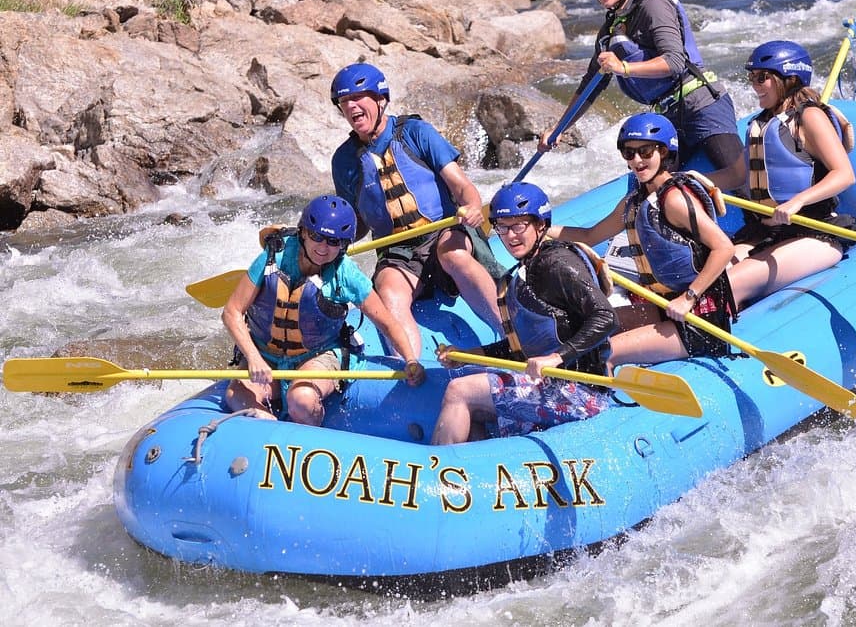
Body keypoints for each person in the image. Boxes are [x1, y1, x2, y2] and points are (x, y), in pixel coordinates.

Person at [329, 62, 503, 358]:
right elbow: (358, 225)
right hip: (397, 252)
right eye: (345, 101)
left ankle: (510, 336)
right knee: (388, 290)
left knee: (454, 254)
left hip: (442, 234)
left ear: (380, 100)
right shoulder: (344, 161)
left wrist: (472, 206)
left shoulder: (415, 133)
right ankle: (411, 365)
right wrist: (329, 240)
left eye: (359, 98)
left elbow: (461, 185)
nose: (351, 107)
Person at [539, 0, 745, 190]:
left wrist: (623, 67)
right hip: (669, 117)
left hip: (702, 105)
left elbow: (674, 61)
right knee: (660, 192)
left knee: (738, 177)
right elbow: (589, 88)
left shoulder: (653, 6)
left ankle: (768, 227)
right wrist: (559, 128)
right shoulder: (609, 31)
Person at [431, 182, 618, 444]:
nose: (510, 236)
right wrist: (466, 356)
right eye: (503, 227)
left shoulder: (559, 264)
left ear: (540, 225)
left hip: (581, 393)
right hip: (548, 384)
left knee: (458, 392)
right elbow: (521, 348)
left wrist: (556, 357)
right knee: (469, 398)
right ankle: (469, 471)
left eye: (519, 226)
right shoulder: (520, 275)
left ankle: (439, 469)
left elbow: (606, 317)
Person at [548, 113, 735, 365]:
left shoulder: (675, 200)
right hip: (663, 307)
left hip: (700, 319)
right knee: (583, 328)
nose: (637, 160)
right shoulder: (634, 202)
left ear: (664, 152)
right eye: (629, 153)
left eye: (645, 151)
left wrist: (688, 297)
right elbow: (589, 236)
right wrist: (541, 227)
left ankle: (598, 403)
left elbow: (724, 247)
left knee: (602, 351)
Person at [221, 195, 425, 426]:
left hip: (319, 354)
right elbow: (232, 312)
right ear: (303, 232)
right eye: (317, 236)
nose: (323, 247)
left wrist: (410, 359)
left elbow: (387, 323)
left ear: (344, 245)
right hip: (265, 354)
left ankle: (313, 430)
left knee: (302, 400)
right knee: (235, 395)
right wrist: (253, 357)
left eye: (333, 242)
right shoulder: (273, 257)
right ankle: (269, 427)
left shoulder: (346, 274)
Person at [726, 40, 856, 309]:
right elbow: (735, 175)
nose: (755, 85)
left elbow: (844, 174)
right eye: (751, 78)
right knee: (707, 275)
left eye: (762, 77)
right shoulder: (761, 124)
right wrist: (689, 180)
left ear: (790, 78)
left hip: (815, 233)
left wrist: (798, 201)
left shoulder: (809, 116)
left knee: (727, 285)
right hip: (769, 233)